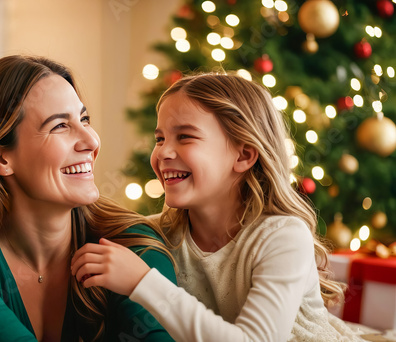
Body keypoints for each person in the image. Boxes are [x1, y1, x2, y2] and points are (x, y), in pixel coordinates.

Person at [71, 73, 366, 341]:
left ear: (244, 155)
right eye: (160, 138)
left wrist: (142, 282)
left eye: (184, 136)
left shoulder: (283, 236)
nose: (163, 152)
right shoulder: (157, 236)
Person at [0, 55, 176, 342]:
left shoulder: (133, 243)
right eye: (60, 126)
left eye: (84, 119)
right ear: (1, 157)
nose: (91, 141)